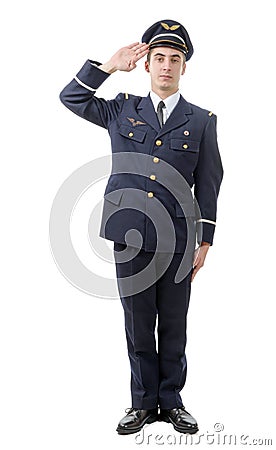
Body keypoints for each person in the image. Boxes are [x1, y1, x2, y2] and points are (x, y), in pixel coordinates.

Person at [60, 19, 223, 435]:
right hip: (129, 233)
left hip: (178, 240)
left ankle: (172, 401)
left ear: (184, 68)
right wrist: (110, 65)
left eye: (174, 59)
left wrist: (205, 238)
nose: (166, 66)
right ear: (147, 64)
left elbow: (209, 181)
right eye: (159, 58)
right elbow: (72, 97)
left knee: (173, 322)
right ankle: (141, 404)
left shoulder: (202, 120)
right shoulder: (121, 109)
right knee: (136, 324)